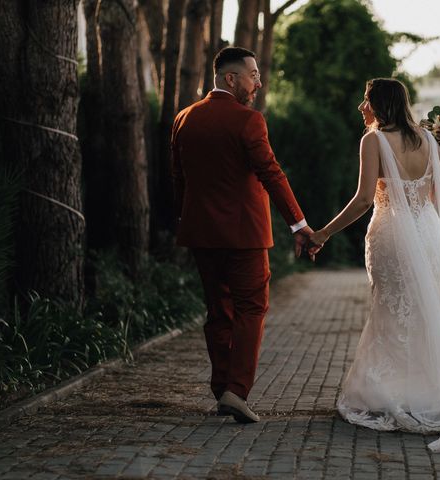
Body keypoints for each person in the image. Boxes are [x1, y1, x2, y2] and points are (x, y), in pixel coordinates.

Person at [309, 78, 440, 453]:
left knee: (390, 309)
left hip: (391, 232)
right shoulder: (425, 139)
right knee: (426, 309)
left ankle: (390, 394)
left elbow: (361, 201)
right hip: (427, 231)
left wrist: (324, 233)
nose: (362, 107)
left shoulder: (372, 140)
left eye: (366, 100)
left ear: (381, 104)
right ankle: (429, 393)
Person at [171, 47, 313, 424]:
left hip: (201, 235)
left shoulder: (184, 118)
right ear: (230, 79)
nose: (258, 82)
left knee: (218, 312)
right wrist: (299, 225)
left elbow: (179, 180)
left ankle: (222, 390)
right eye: (252, 75)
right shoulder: (249, 121)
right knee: (251, 309)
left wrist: (187, 221)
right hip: (246, 236)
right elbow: (272, 173)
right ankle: (236, 390)